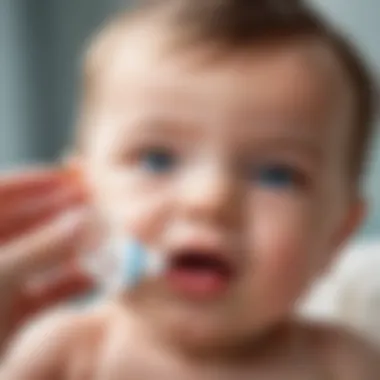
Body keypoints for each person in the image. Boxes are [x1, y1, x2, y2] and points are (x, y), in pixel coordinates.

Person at [1, 0, 379, 378]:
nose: (209, 199)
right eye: (156, 160)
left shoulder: (344, 365)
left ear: (338, 235)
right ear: (80, 196)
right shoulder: (65, 354)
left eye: (276, 175)